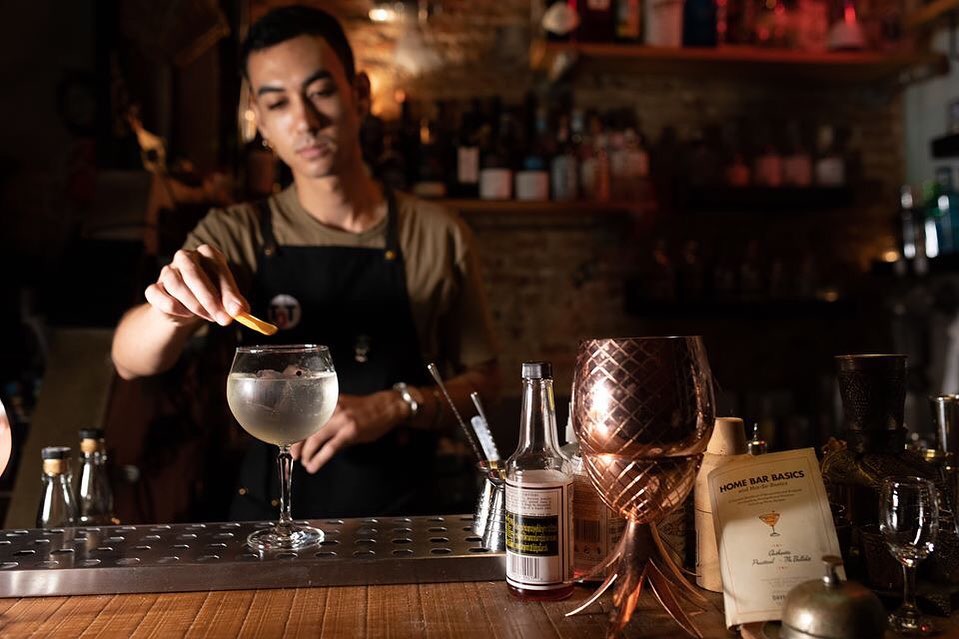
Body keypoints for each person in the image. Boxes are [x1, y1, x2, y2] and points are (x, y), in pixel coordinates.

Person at [111, 6, 501, 520]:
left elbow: (486, 384)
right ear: (261, 119)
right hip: (264, 520)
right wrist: (170, 312)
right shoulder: (235, 233)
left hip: (402, 522)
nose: (305, 120)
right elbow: (129, 358)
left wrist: (397, 404)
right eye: (277, 102)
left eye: (320, 92)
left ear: (359, 94)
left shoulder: (438, 234)